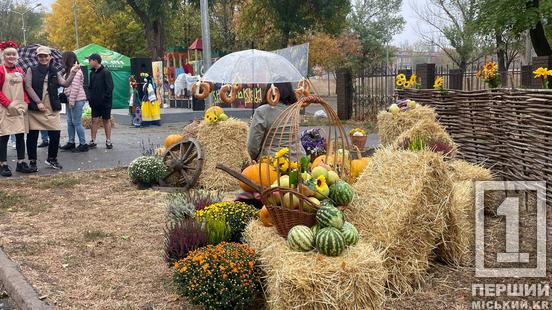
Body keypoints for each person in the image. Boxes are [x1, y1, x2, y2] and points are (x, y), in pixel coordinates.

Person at [25, 45, 80, 170]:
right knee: (32, 136)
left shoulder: (54, 71)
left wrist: (72, 73)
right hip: (35, 108)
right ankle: (32, 162)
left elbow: (65, 83)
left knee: (55, 134)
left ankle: (52, 159)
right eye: (41, 56)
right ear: (37, 57)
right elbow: (28, 87)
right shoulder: (31, 69)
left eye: (45, 56)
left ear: (50, 57)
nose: (43, 58)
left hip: (51, 107)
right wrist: (38, 102)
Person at [0, 44, 33, 176]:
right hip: (5, 108)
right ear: (4, 56)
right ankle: (3, 164)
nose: (11, 56)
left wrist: (25, 102)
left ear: (17, 56)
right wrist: (8, 104)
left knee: (20, 135)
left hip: (19, 107)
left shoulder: (20, 70)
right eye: (8, 54)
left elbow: (24, 88)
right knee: (4, 136)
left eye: (14, 54)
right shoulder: (1, 70)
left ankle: (20, 162)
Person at [247, 82, 297, 161]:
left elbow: (253, 145)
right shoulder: (294, 110)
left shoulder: (262, 111)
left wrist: (250, 160)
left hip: (271, 161)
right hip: (296, 159)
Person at [59, 51, 88, 152]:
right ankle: (71, 142)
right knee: (70, 122)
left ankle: (83, 144)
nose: (62, 61)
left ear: (67, 59)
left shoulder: (76, 70)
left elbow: (75, 87)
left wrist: (71, 101)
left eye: (63, 59)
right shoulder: (68, 71)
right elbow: (65, 84)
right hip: (70, 100)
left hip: (77, 99)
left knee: (76, 122)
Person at [87, 53, 114, 149]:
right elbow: (90, 88)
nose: (88, 62)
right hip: (95, 103)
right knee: (94, 120)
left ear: (95, 60)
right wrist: (90, 98)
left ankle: (108, 141)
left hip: (105, 103)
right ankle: (93, 141)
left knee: (106, 120)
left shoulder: (106, 72)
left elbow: (110, 87)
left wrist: (105, 99)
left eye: (89, 60)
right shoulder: (92, 73)